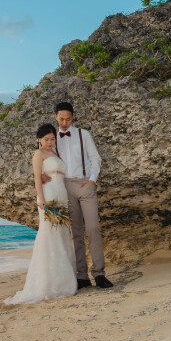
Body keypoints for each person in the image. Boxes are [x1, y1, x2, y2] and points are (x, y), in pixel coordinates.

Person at [43, 102, 114, 289]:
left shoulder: (84, 134)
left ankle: (99, 274)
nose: (64, 123)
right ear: (55, 117)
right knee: (75, 233)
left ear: (73, 117)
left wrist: (92, 180)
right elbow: (44, 159)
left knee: (93, 228)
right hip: (65, 186)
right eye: (61, 119)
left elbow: (95, 158)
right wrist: (43, 175)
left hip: (85, 184)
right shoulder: (52, 139)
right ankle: (82, 276)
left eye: (68, 119)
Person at [5, 123, 77, 304]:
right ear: (39, 139)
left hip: (62, 197)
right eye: (46, 139)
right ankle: (47, 284)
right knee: (49, 235)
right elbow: (37, 177)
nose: (50, 142)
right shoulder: (39, 154)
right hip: (48, 197)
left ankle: (64, 281)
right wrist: (41, 199)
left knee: (62, 235)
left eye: (52, 139)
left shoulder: (56, 154)